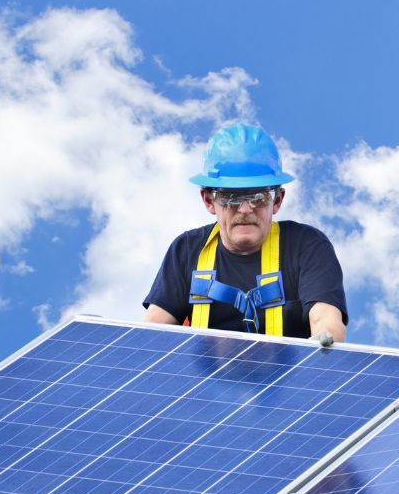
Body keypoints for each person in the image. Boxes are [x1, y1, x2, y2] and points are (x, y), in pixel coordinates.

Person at [143, 124, 348, 345]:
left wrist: (326, 341)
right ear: (209, 201)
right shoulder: (186, 250)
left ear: (277, 200)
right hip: (204, 377)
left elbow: (325, 317)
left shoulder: (307, 247)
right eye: (231, 197)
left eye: (258, 197)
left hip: (288, 379)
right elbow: (154, 329)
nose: (245, 209)